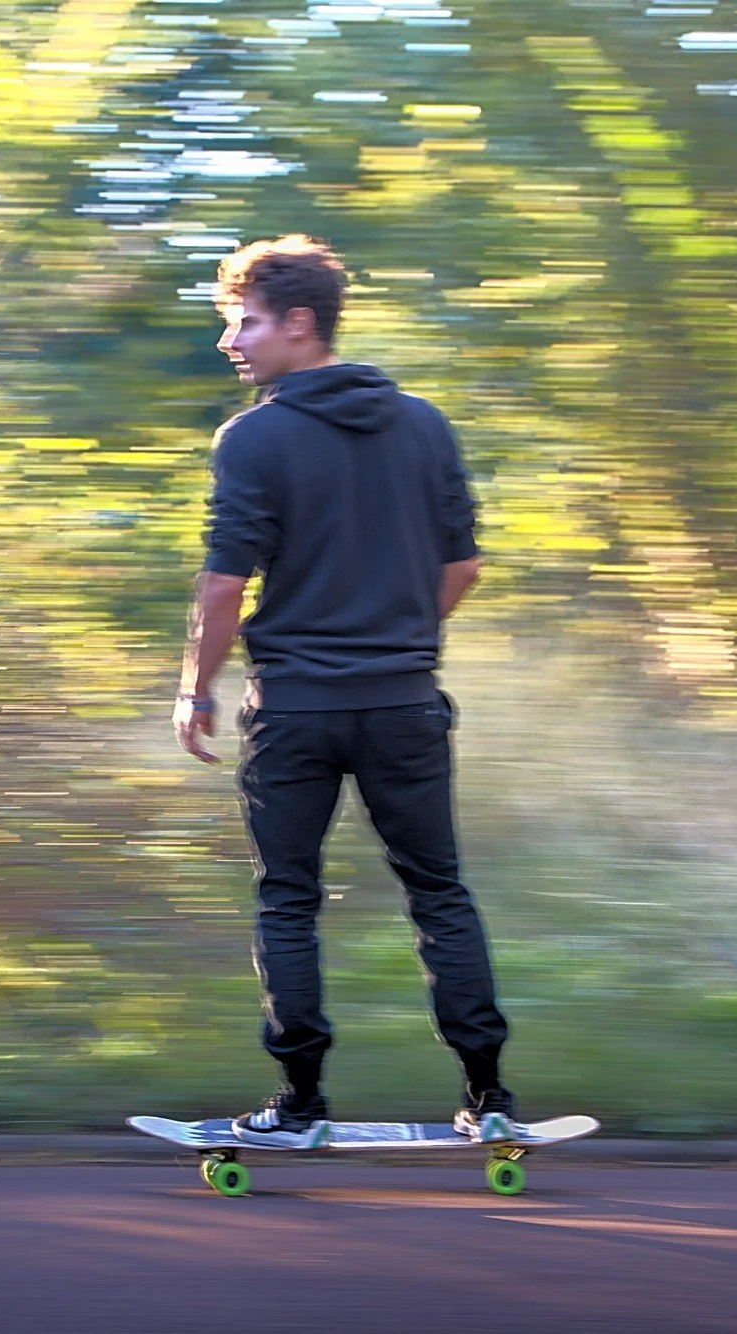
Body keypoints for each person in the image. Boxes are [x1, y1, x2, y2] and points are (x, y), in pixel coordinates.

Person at [171, 234, 516, 1148]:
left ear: (299, 324)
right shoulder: (424, 424)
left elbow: (222, 584)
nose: (229, 343)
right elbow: (464, 566)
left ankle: (298, 1103)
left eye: (241, 324)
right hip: (404, 701)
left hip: (295, 708)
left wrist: (194, 692)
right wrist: (397, 635)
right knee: (439, 893)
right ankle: (490, 1097)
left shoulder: (254, 438)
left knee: (289, 897)